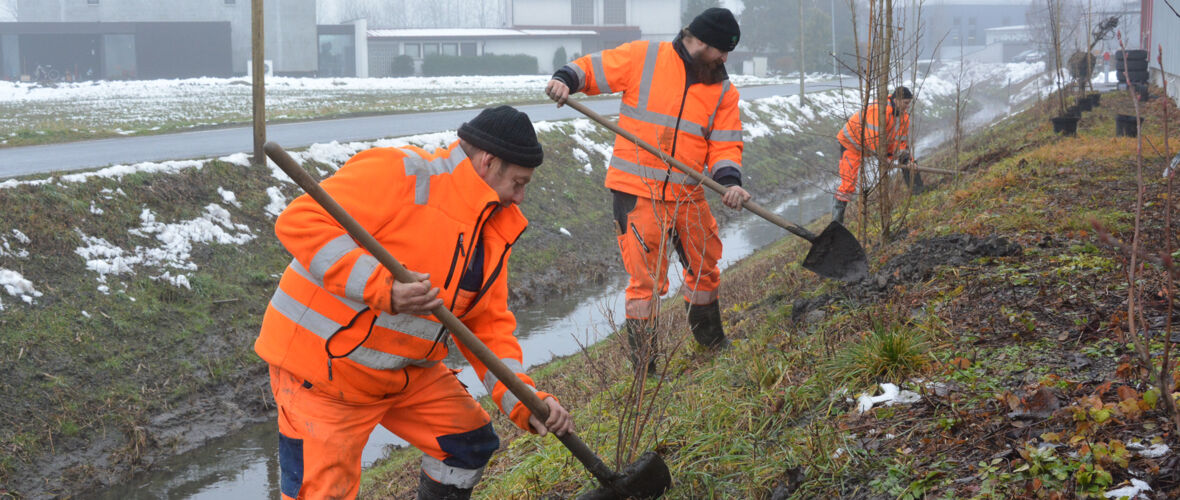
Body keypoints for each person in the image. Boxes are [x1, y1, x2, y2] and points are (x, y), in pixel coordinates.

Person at [254, 105, 574, 500]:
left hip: (403, 375)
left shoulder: (493, 226)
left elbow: (488, 327)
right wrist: (382, 287)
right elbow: (299, 221)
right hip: (324, 376)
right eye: (519, 183)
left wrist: (526, 401)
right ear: (488, 163)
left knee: (468, 444)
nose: (521, 197)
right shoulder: (399, 173)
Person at [544, 7, 751, 374]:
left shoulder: (723, 90)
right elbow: (593, 68)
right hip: (637, 191)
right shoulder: (645, 56)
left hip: (688, 194)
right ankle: (646, 370)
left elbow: (725, 145)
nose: (725, 58)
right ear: (700, 41)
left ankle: (711, 344)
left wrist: (730, 183)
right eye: (722, 49)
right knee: (645, 284)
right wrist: (565, 79)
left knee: (705, 267)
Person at [831, 86, 915, 224]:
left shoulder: (903, 117)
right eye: (905, 103)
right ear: (897, 99)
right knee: (848, 185)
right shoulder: (878, 111)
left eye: (908, 104)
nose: (907, 107)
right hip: (851, 146)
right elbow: (872, 140)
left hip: (870, 149)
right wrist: (885, 159)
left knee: (909, 162)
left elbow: (901, 143)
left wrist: (907, 160)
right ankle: (836, 222)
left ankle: (918, 191)